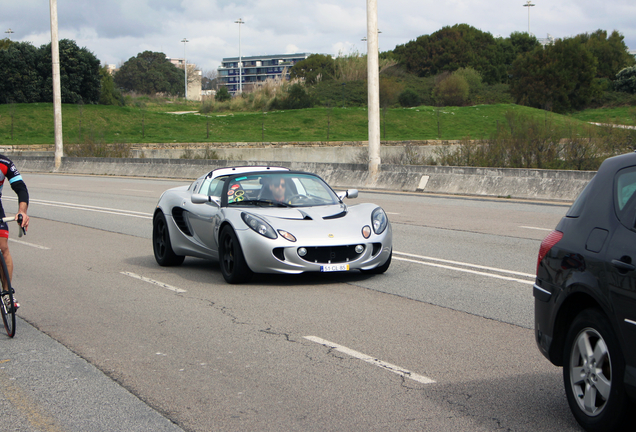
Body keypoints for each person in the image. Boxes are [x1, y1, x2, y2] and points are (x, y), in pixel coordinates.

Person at [0, 155, 29, 310]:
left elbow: (20, 187)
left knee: (3, 248)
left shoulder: (4, 163)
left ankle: (7, 294)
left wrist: (22, 212)